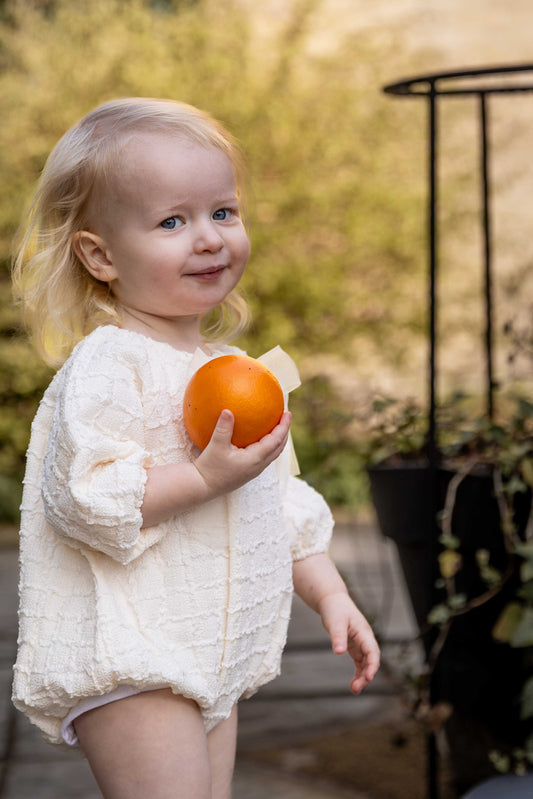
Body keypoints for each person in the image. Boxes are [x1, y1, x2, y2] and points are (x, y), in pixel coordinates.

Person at [11, 97, 380, 799]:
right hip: (131, 652)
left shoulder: (237, 371)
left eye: (223, 211)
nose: (209, 238)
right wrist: (205, 478)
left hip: (213, 654)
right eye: (172, 222)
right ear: (100, 255)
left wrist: (331, 593)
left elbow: (277, 500)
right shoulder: (110, 363)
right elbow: (86, 497)